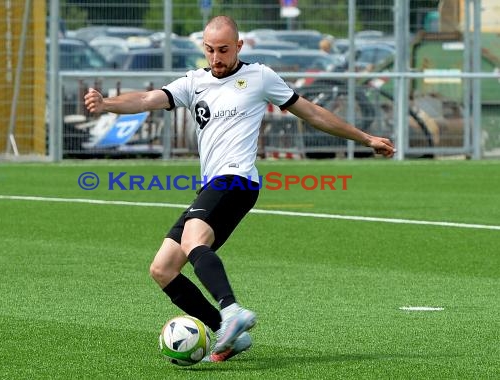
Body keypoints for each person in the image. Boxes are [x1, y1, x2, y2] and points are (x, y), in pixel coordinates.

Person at [85, 15, 395, 363]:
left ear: (239, 47)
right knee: (163, 269)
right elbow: (145, 99)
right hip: (213, 184)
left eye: (223, 50)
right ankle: (227, 332)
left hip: (238, 180)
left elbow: (312, 113)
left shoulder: (259, 76)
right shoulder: (194, 82)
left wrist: (366, 138)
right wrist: (107, 104)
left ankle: (231, 311)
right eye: (210, 50)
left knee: (192, 241)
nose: (216, 58)